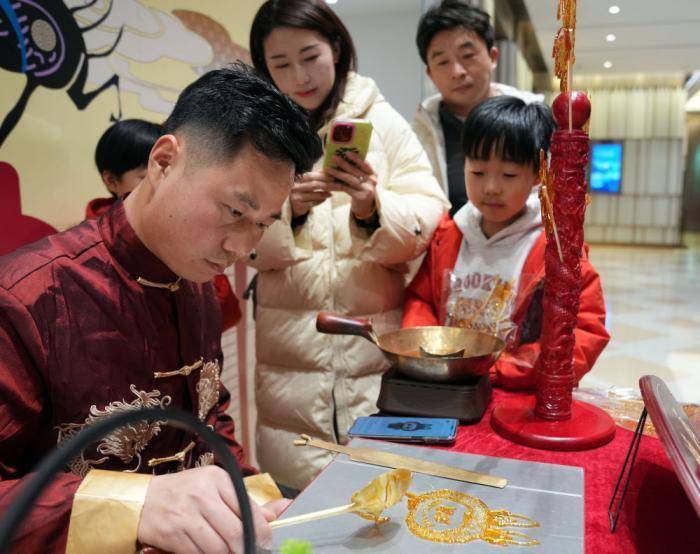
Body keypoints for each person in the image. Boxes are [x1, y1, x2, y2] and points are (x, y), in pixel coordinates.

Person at [0, 64, 321, 553]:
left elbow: (209, 416)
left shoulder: (197, 277)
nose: (241, 247)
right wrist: (135, 506)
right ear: (164, 161)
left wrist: (250, 498)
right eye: (235, 211)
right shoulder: (27, 298)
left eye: (262, 223)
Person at [248, 0, 449, 490]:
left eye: (310, 56)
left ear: (336, 48)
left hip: (371, 344)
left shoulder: (384, 122)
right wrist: (289, 210)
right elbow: (237, 235)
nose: (300, 77)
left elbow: (429, 215)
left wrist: (370, 207)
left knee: (375, 492)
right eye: (281, 64)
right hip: (288, 350)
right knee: (292, 493)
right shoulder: (259, 134)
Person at [403, 96, 609, 389]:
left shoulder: (556, 249)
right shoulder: (448, 235)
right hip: (446, 386)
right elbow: (421, 299)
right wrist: (428, 351)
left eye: (509, 175)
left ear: (537, 175)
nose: (491, 188)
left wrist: (502, 370)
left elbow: (583, 331)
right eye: (477, 172)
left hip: (515, 392)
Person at [87, 118, 243, 331]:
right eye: (144, 176)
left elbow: (224, 312)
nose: (161, 182)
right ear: (111, 181)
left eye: (168, 170)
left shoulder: (184, 225)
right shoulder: (89, 250)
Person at [413, 0, 542, 215]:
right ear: (430, 74)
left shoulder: (534, 122)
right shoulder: (417, 136)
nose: (457, 72)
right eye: (443, 62)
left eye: (467, 56)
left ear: (493, 57)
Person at [86, 118, 163, 219]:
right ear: (112, 181)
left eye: (166, 175)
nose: (162, 185)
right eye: (146, 177)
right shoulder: (98, 227)